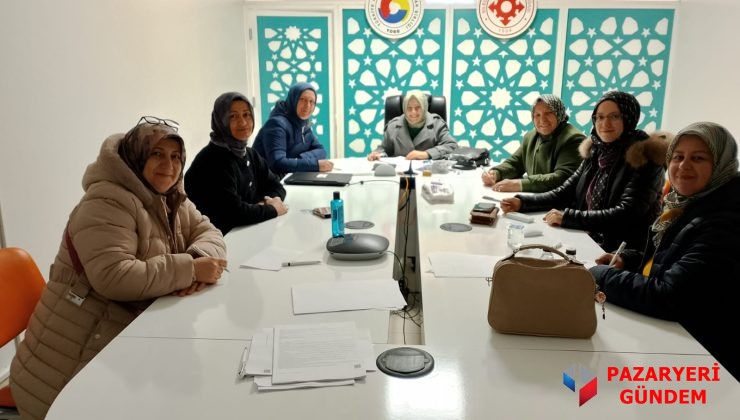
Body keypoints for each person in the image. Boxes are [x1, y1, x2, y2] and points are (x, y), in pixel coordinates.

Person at [10, 117, 227, 420]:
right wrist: (190, 270)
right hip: (65, 376)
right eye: (156, 153)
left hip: (120, 344)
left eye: (176, 157)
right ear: (136, 156)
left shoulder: (169, 197)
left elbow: (210, 232)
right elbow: (115, 276)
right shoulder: (107, 200)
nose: (169, 165)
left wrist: (196, 257)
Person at [590, 122, 740, 380]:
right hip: (674, 336)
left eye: (698, 158)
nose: (683, 166)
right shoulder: (685, 205)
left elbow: (671, 296)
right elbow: (673, 260)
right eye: (678, 156)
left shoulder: (725, 221)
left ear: (721, 165)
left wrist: (598, 275)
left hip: (702, 360)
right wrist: (627, 259)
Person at [500, 91, 668, 251]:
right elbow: (565, 192)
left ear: (629, 118)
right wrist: (522, 202)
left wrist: (569, 217)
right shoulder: (596, 149)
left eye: (614, 116)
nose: (605, 123)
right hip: (586, 237)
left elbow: (626, 214)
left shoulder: (646, 157)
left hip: (620, 251)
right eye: (600, 117)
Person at [185, 92, 287, 235]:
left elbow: (277, 187)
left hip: (243, 232)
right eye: (233, 116)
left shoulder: (250, 154)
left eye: (246, 114)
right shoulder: (212, 160)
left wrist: (263, 204)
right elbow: (234, 213)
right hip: (216, 239)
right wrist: (272, 209)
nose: (243, 122)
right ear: (221, 121)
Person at [481, 95, 585, 192]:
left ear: (559, 114)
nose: (542, 119)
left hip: (560, 203)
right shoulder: (530, 136)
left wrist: (519, 184)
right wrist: (496, 173)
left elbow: (562, 177)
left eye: (548, 113)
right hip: (533, 198)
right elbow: (515, 164)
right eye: (537, 115)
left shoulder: (574, 139)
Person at [252, 82, 332, 176]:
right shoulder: (276, 124)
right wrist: (315, 165)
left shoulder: (303, 124)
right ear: (293, 99)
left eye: (311, 102)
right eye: (302, 99)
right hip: (266, 181)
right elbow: (278, 163)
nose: (307, 105)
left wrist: (298, 159)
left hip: (288, 177)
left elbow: (322, 151)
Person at [367, 90, 458, 160]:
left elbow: (452, 146)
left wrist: (426, 154)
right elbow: (384, 149)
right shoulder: (393, 125)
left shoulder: (437, 123)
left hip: (428, 174)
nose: (413, 112)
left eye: (417, 108)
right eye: (409, 108)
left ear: (424, 107)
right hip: (400, 173)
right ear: (404, 108)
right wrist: (377, 154)